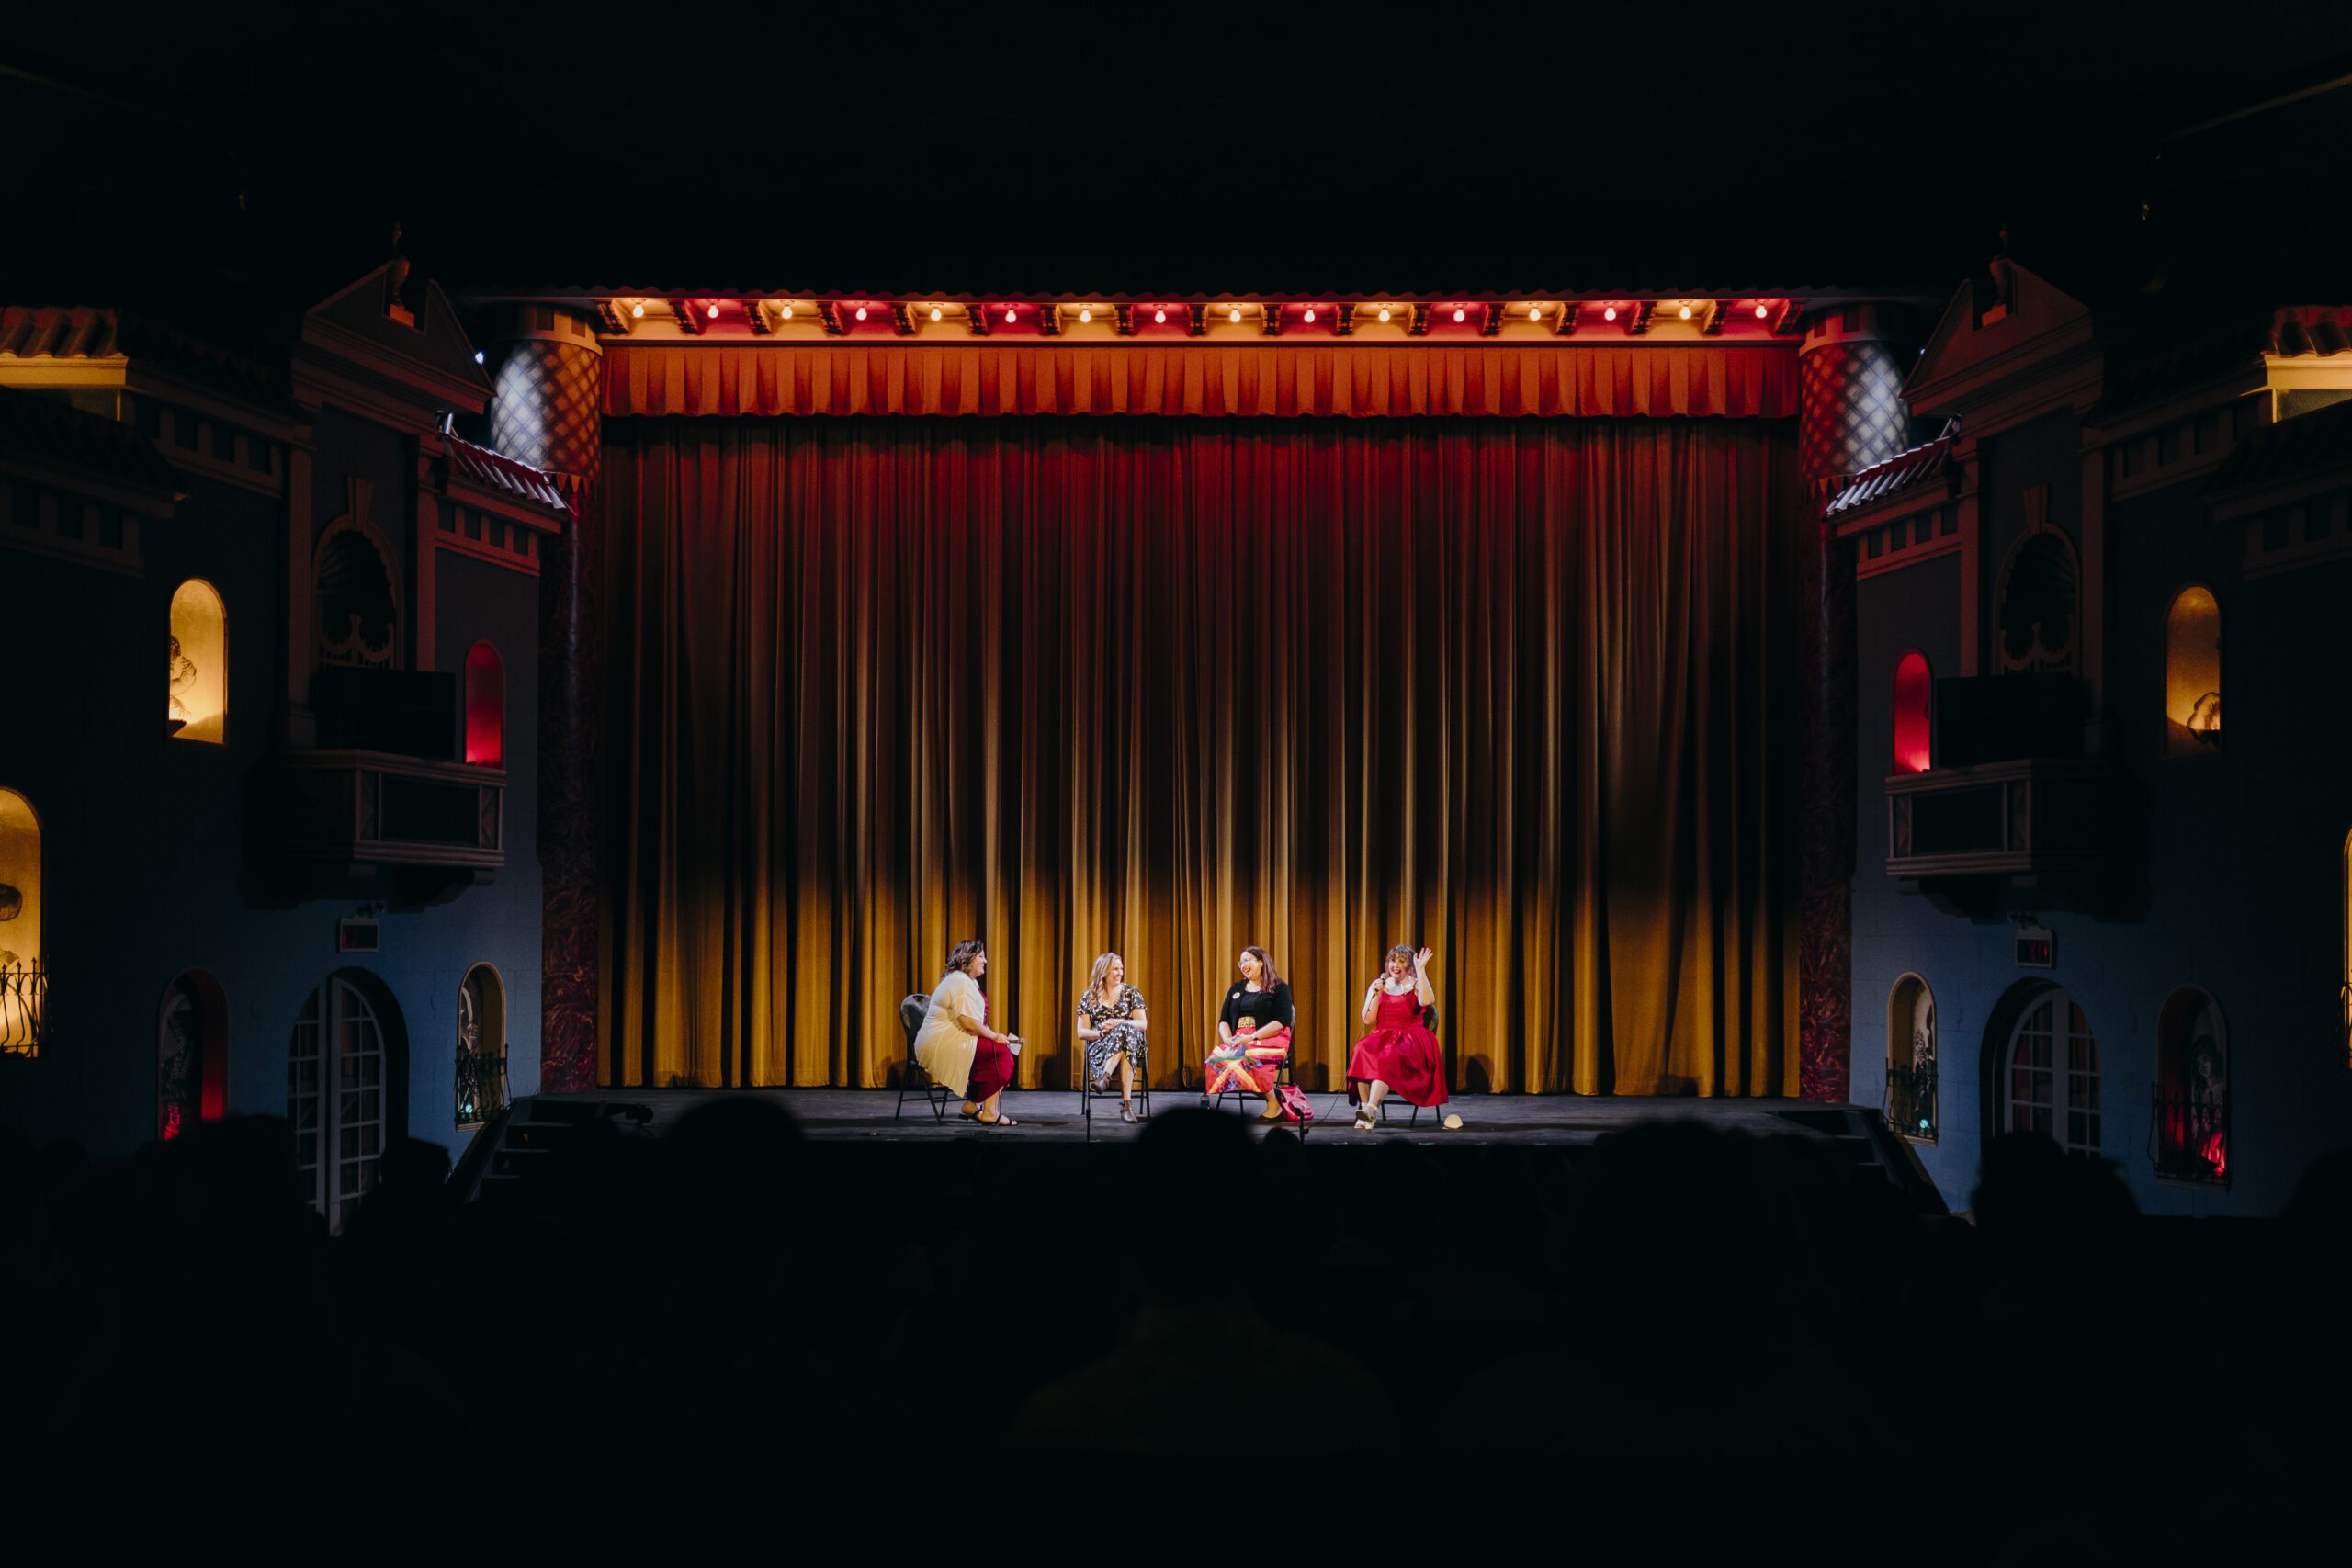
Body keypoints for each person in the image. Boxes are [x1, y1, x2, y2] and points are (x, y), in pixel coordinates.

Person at [914, 938, 1023, 1126]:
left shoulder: (968, 981)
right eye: (981, 956)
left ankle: (973, 1105)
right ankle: (988, 1112)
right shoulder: (959, 981)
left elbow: (976, 1022)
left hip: (955, 1039)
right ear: (969, 959)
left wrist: (996, 1036)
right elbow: (968, 1022)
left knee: (1003, 1049)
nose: (985, 961)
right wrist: (994, 1036)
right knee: (1002, 1053)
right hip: (942, 1044)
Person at [1347, 944, 1442, 1131]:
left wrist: (1421, 970)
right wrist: (1375, 994)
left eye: (1401, 961)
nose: (1395, 965)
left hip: (1411, 1038)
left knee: (1387, 1055)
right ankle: (1366, 1108)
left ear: (1410, 965)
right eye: (1392, 960)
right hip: (1383, 1035)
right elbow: (1367, 1019)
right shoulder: (1381, 984)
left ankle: (1371, 1109)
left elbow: (1427, 1001)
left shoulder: (1415, 983)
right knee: (1361, 1048)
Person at [1204, 945, 1295, 1121]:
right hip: (1240, 1038)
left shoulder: (1279, 987)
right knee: (1215, 1060)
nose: (1243, 965)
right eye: (1241, 962)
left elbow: (1282, 1021)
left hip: (1269, 1037)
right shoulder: (1237, 989)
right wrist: (1227, 1039)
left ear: (1261, 962)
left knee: (1249, 1058)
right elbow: (1223, 1020)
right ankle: (1273, 1095)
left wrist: (1252, 1037)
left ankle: (1273, 1104)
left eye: (1247, 960)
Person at [1076, 952, 1148, 1122]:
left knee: (1126, 1030)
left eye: (1121, 968)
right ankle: (1126, 1106)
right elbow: (1081, 1033)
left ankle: (1105, 1078)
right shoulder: (1089, 996)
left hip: (1131, 1046)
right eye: (1115, 969)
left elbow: (1143, 1024)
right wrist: (1101, 1033)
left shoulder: (1131, 992)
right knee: (1125, 1038)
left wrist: (1118, 1023)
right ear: (1104, 971)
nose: (1120, 972)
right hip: (1101, 1047)